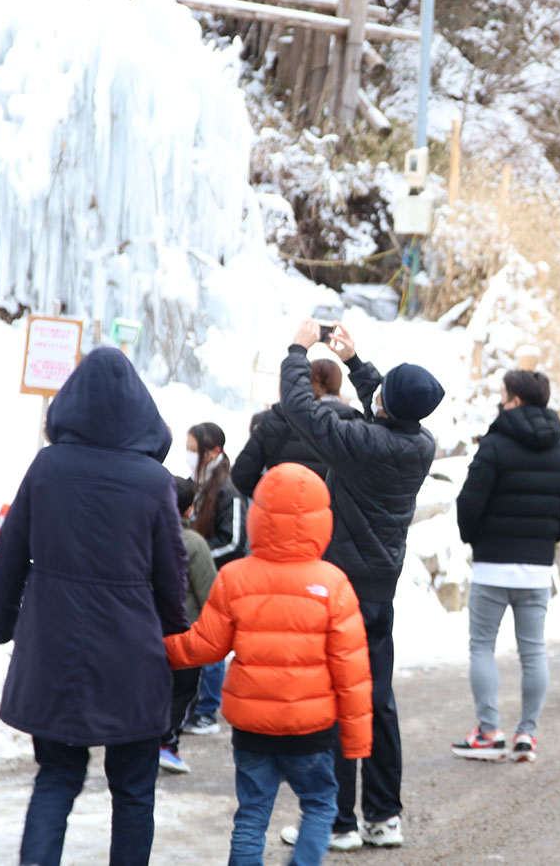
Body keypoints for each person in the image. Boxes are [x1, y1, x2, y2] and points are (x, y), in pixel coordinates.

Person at [0, 347, 188, 866]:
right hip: (133, 658)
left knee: (56, 777)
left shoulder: (47, 467)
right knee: (134, 789)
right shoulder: (154, 481)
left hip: (53, 651)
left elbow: (8, 555)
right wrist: (177, 639)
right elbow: (172, 575)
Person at [278, 319, 443, 850]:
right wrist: (353, 361)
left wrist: (298, 350)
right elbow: (387, 406)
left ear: (385, 406)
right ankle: (383, 817)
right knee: (377, 701)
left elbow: (300, 409)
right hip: (378, 593)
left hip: (339, 589)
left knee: (333, 699)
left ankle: (336, 822)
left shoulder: (362, 443)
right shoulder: (420, 443)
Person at [164, 463, 372, 866]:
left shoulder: (235, 577)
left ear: (258, 514)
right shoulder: (333, 584)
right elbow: (352, 672)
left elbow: (206, 645)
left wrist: (158, 649)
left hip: (252, 728)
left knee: (252, 815)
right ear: (320, 519)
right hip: (309, 729)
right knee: (320, 804)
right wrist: (356, 740)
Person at [453, 368, 560, 762]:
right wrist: (546, 537)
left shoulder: (493, 447)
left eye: (503, 396)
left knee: (482, 647)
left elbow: (469, 503)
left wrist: (475, 538)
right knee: (533, 652)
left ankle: (488, 731)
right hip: (536, 570)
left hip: (492, 567)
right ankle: (526, 734)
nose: (500, 401)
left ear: (514, 401)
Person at [181, 422, 247, 737]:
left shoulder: (228, 490)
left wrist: (198, 554)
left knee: (212, 641)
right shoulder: (199, 484)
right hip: (197, 573)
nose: (189, 455)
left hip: (218, 577)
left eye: (194, 450)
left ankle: (207, 710)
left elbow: (233, 541)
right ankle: (193, 705)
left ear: (213, 452)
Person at [159, 477, 218, 775]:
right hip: (185, 633)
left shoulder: (141, 535)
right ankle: (167, 744)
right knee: (182, 692)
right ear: (188, 509)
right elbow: (209, 592)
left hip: (144, 630)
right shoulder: (193, 543)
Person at [231, 360, 359, 496]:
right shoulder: (353, 422)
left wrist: (272, 494)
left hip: (281, 505)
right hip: (329, 507)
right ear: (338, 387)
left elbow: (242, 475)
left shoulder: (276, 417)